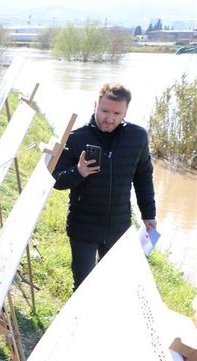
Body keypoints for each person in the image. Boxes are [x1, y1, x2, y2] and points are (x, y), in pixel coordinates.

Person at [52, 82, 156, 290]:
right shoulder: (76, 137)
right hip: (83, 226)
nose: (110, 118)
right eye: (105, 111)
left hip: (119, 225)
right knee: (83, 285)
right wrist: (78, 172)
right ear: (95, 106)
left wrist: (149, 215)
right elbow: (56, 180)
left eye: (117, 113)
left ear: (126, 111)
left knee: (111, 284)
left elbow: (143, 177)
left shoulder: (137, 137)